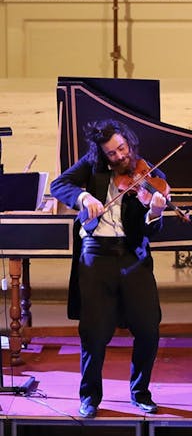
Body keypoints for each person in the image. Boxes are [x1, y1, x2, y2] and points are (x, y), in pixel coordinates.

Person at [50, 119, 168, 418]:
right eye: (111, 154)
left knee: (148, 328)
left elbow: (151, 231)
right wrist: (83, 196)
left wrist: (154, 212)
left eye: (122, 149)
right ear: (102, 154)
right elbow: (59, 184)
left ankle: (140, 393)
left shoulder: (148, 172)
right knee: (93, 332)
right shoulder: (92, 165)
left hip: (133, 256)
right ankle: (90, 397)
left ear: (128, 143)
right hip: (96, 254)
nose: (119, 157)